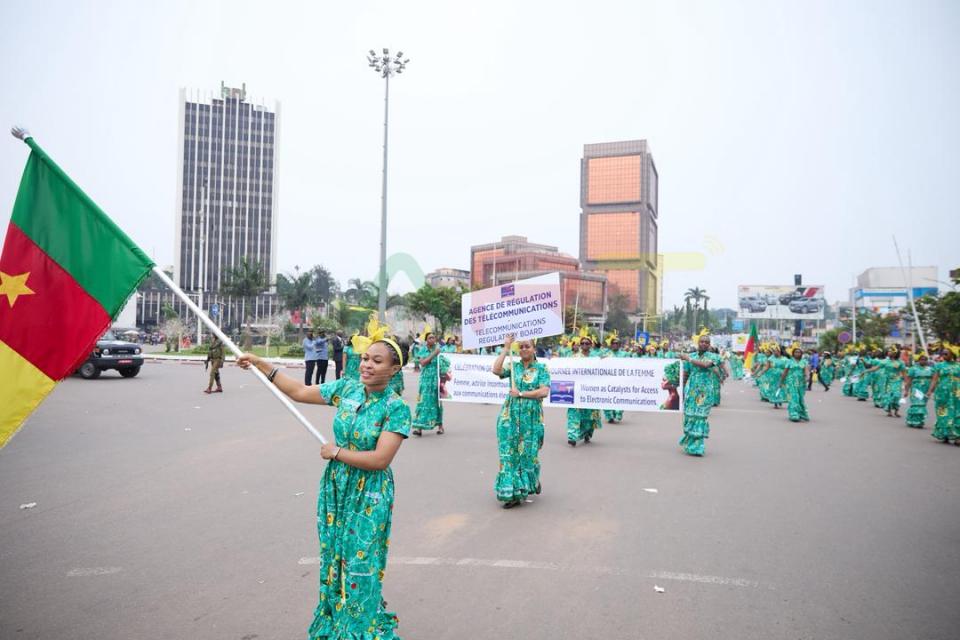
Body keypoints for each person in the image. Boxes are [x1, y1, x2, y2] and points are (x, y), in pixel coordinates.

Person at [237, 339, 409, 639]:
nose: (367, 364)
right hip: (337, 485)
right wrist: (260, 363)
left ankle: (360, 627)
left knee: (360, 560)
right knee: (334, 554)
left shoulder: (396, 408)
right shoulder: (347, 388)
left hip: (369, 492)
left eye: (377, 361)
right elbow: (299, 392)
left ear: (394, 369)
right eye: (365, 358)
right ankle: (338, 618)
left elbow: (381, 460)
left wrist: (337, 453)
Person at [491, 335, 550, 508]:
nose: (524, 349)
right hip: (509, 416)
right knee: (509, 453)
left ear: (534, 349)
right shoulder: (513, 366)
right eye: (521, 346)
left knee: (527, 455)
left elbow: (544, 391)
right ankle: (511, 493)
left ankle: (531, 481)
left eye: (527, 346)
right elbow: (496, 370)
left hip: (530, 418)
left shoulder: (541, 368)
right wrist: (506, 348)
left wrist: (522, 394)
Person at [678, 336, 722, 456]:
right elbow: (686, 374)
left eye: (707, 342)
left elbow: (706, 365)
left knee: (700, 417)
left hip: (705, 392)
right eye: (702, 342)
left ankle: (698, 447)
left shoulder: (714, 357)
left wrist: (688, 358)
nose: (704, 344)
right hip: (691, 390)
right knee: (690, 416)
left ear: (709, 345)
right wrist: (681, 391)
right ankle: (689, 443)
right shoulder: (691, 356)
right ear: (698, 343)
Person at [567, 336, 602, 446]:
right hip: (577, 390)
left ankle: (587, 433)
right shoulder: (574, 357)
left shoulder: (596, 357)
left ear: (591, 345)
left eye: (587, 343)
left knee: (590, 416)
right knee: (574, 413)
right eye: (582, 343)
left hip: (591, 390)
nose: (584, 345)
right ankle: (572, 436)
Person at [412, 330, 445, 436]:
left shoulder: (439, 350)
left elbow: (445, 363)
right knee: (423, 401)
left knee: (437, 402)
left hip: (436, 380)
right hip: (425, 380)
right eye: (430, 338)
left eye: (433, 337)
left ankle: (440, 426)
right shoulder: (423, 350)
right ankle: (419, 428)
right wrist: (434, 354)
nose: (432, 339)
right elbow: (423, 363)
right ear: (426, 340)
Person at [929, 350, 959, 443]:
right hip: (942, 392)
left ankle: (957, 436)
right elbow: (934, 379)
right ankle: (944, 433)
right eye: (943, 354)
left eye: (946, 354)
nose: (944, 356)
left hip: (956, 393)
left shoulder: (958, 366)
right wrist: (930, 391)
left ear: (952, 354)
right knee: (943, 412)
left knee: (956, 412)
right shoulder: (939, 365)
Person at [903, 353, 934, 429]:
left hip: (925, 389)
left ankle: (918, 420)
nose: (923, 361)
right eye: (922, 359)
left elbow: (934, 380)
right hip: (916, 389)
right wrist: (906, 391)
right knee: (917, 404)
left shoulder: (931, 369)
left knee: (922, 405)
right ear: (918, 360)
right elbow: (909, 380)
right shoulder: (913, 369)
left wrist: (931, 390)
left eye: (925, 360)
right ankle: (915, 421)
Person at [779, 348, 810, 422]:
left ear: (801, 354)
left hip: (801, 382)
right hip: (791, 381)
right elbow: (785, 372)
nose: (797, 353)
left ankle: (802, 413)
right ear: (793, 353)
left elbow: (806, 371)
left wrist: (807, 377)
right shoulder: (789, 361)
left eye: (799, 352)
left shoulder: (804, 362)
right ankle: (793, 414)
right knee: (793, 397)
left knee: (800, 398)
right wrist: (781, 382)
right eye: (796, 352)